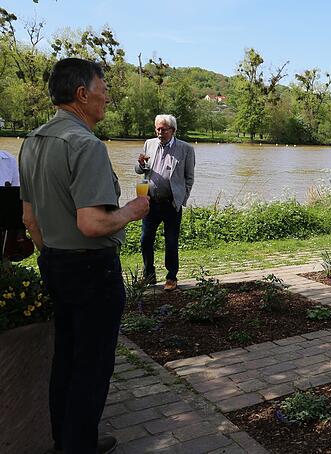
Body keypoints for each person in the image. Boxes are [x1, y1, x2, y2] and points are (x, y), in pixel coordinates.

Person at [18, 58, 149, 454]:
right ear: (82, 94)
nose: (107, 95)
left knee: (66, 359)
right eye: (103, 87)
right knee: (91, 367)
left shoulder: (32, 141)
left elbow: (28, 218)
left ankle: (68, 440)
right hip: (91, 270)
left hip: (55, 263)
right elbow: (92, 223)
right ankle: (79, 446)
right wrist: (130, 211)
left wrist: (52, 255)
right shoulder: (85, 144)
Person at [134, 114, 195, 291]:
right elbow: (141, 170)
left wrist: (182, 199)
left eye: (164, 129)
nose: (160, 132)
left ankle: (171, 277)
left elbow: (189, 178)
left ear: (173, 130)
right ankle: (149, 276)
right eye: (158, 129)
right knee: (145, 240)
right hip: (150, 202)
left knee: (171, 241)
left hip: (171, 204)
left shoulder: (186, 149)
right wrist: (140, 164)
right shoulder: (149, 144)